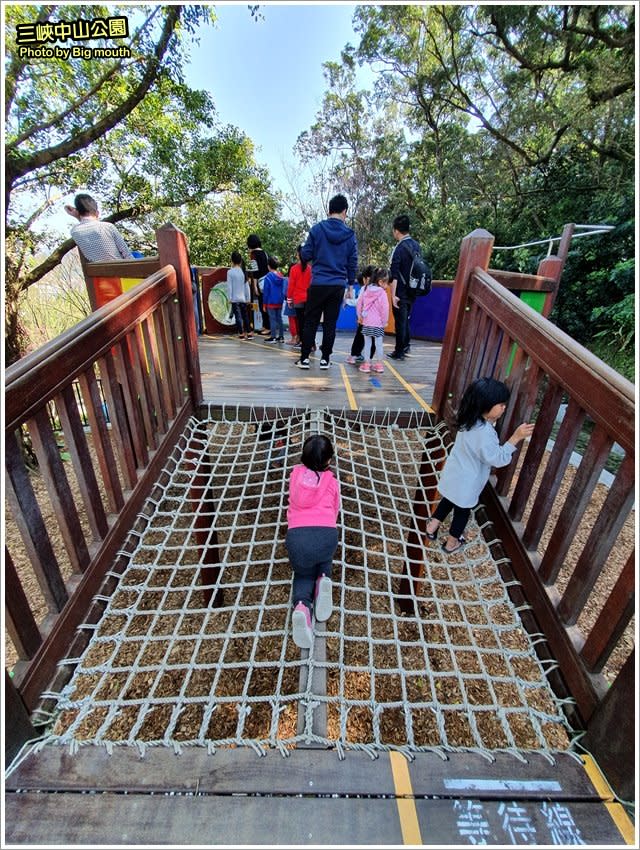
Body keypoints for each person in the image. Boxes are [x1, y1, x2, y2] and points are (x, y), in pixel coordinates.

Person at [426, 377, 535, 553]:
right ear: (486, 406)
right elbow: (497, 458)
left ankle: (432, 527)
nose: (504, 407)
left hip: (454, 474)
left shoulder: (468, 419)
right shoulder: (485, 433)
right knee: (462, 512)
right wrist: (515, 438)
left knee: (448, 500)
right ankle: (452, 543)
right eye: (501, 404)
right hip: (467, 481)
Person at [285, 434, 340, 649]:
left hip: (298, 536)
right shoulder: (331, 481)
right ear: (329, 461)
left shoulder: (295, 475)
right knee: (324, 557)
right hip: (326, 533)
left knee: (303, 573)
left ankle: (302, 606)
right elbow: (335, 509)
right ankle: (324, 578)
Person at [296, 194, 358, 370]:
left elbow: (306, 254)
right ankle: (325, 359)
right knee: (330, 323)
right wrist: (350, 285)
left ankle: (305, 358)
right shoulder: (350, 235)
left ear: (329, 210)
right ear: (344, 211)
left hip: (318, 283)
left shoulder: (316, 230)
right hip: (338, 284)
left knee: (311, 321)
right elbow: (352, 261)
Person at [388, 214, 421, 361]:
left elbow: (394, 274)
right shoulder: (416, 246)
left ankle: (399, 351)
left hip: (400, 290)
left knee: (400, 321)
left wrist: (393, 294)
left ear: (396, 231)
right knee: (406, 318)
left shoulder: (399, 248)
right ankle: (406, 345)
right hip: (413, 289)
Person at [65, 193, 133, 261]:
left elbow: (83, 224)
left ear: (79, 212)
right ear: (97, 212)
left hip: (98, 271)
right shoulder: (108, 227)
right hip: (122, 269)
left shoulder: (74, 232)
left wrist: (78, 216)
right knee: (136, 254)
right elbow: (127, 255)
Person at [355, 267, 390, 374]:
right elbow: (385, 309)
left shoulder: (366, 289)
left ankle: (367, 364)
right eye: (386, 283)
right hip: (378, 324)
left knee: (367, 344)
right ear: (380, 282)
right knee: (379, 344)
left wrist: (359, 316)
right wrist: (384, 322)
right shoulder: (382, 293)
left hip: (366, 322)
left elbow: (359, 303)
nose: (387, 285)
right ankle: (379, 365)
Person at [346, 265, 375, 365]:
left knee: (364, 337)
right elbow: (358, 303)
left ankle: (361, 356)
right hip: (366, 319)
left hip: (370, 319)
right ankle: (356, 355)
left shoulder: (372, 289)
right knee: (363, 337)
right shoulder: (365, 289)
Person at [286, 245, 312, 348]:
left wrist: (289, 299)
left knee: (301, 322)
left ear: (298, 255)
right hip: (308, 298)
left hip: (298, 299)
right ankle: (311, 343)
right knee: (308, 322)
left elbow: (291, 286)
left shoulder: (294, 269)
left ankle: (302, 342)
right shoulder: (310, 269)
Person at [246, 234, 270, 335]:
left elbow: (255, 271)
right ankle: (266, 326)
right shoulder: (264, 253)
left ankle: (267, 327)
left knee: (262, 305)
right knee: (267, 304)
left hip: (260, 282)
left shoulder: (253, 254)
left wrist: (254, 286)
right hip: (268, 280)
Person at [226, 250, 252, 339]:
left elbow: (229, 287)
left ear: (232, 261)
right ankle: (249, 332)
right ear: (240, 261)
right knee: (245, 316)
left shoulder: (230, 272)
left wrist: (229, 297)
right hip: (243, 298)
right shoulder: (243, 272)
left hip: (235, 298)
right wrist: (248, 298)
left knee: (238, 317)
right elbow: (246, 286)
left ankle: (241, 333)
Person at [261, 256, 285, 343]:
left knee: (272, 319)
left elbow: (266, 291)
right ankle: (281, 337)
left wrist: (264, 304)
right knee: (279, 318)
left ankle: (273, 337)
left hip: (270, 301)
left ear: (268, 266)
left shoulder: (268, 277)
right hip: (279, 301)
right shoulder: (281, 276)